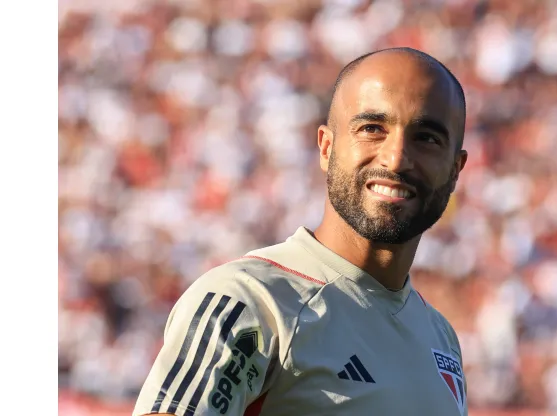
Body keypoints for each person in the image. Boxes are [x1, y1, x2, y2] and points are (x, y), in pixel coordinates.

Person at [133, 47, 470, 416]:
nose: (396, 157)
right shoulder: (249, 299)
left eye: (427, 138)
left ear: (456, 169)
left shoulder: (441, 339)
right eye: (372, 129)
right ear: (326, 147)